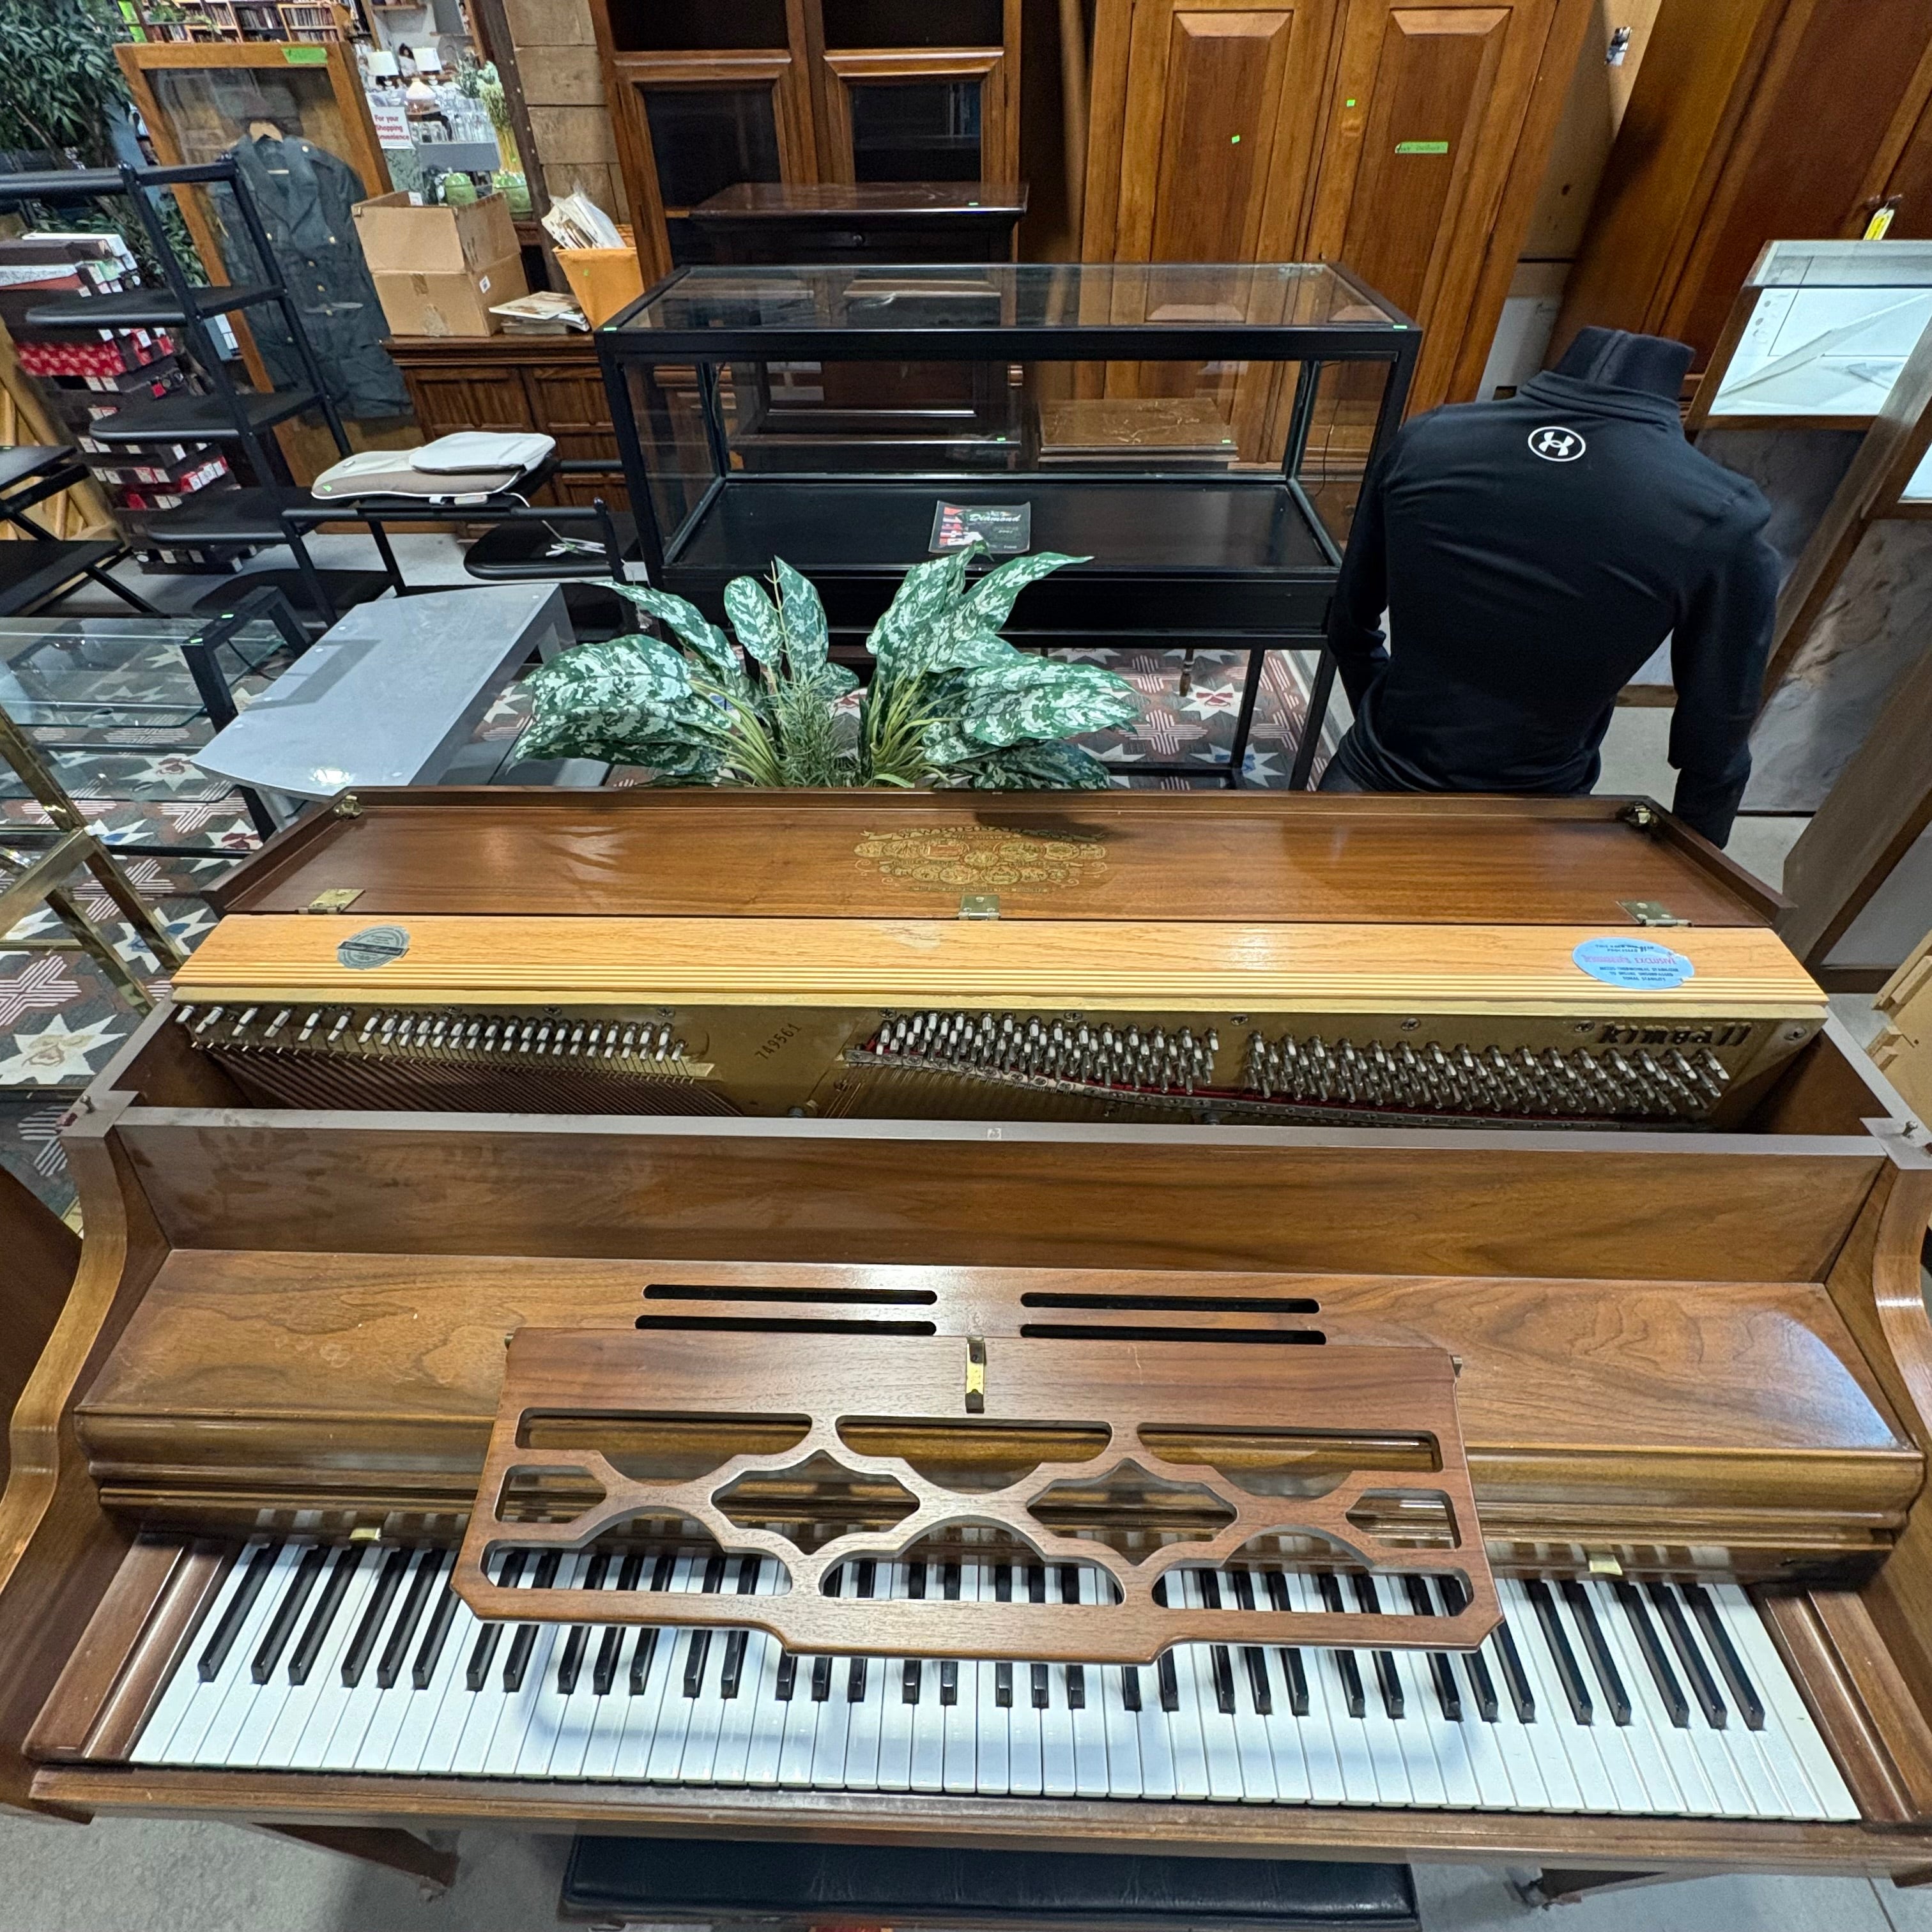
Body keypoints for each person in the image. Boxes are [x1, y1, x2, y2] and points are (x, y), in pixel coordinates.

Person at [1319, 326, 1779, 847]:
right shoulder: (1722, 516)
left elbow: (1347, 626)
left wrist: (1386, 727)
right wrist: (1699, 884)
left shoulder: (1428, 439)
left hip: (1370, 778)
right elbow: (1715, 742)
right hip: (1539, 810)